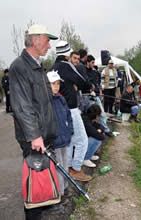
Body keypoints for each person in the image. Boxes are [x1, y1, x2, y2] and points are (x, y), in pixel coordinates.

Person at [9, 24, 58, 220]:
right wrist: (35, 135)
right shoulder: (19, 67)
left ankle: (40, 211)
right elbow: (22, 106)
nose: (49, 46)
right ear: (36, 40)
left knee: (42, 179)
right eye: (47, 41)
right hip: (34, 138)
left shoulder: (37, 66)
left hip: (43, 135)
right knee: (35, 182)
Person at [51, 40, 91, 182]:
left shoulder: (52, 67)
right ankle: (76, 169)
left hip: (58, 109)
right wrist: (85, 86)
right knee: (82, 140)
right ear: (67, 53)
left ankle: (67, 169)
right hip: (71, 109)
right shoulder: (67, 66)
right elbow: (83, 83)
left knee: (69, 142)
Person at [47, 70, 73, 196]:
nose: (56, 86)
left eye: (58, 83)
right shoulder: (45, 101)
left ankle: (66, 187)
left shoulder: (61, 98)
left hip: (64, 138)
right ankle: (60, 192)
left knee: (65, 162)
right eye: (53, 84)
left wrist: (70, 130)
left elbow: (68, 115)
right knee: (58, 166)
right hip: (55, 140)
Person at [86, 55, 113, 137]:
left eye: (94, 63)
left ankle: (106, 130)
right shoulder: (84, 71)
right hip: (87, 97)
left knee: (102, 114)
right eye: (92, 63)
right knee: (89, 116)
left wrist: (100, 91)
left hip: (96, 96)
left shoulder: (95, 72)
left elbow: (98, 84)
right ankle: (91, 132)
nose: (93, 64)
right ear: (87, 62)